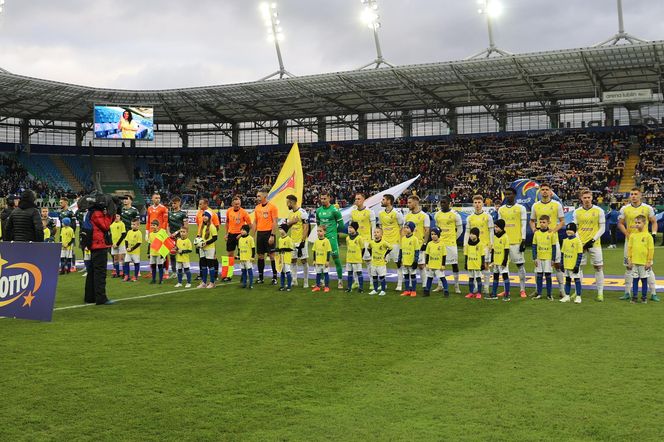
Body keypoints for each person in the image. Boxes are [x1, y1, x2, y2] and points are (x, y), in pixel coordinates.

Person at [618, 187, 658, 302]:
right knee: (628, 266)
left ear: (640, 195)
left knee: (648, 267)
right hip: (631, 241)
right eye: (631, 194)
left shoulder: (647, 208)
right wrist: (627, 234)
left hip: (644, 241)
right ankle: (627, 292)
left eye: (636, 194)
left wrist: (654, 234)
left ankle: (653, 293)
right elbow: (620, 223)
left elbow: (654, 221)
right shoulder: (625, 209)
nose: (633, 196)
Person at [530, 183, 565, 297]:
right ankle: (537, 290)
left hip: (553, 239)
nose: (544, 191)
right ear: (540, 192)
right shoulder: (535, 205)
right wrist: (534, 230)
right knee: (538, 266)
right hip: (540, 240)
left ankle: (561, 290)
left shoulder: (556, 205)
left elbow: (562, 221)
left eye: (547, 189)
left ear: (550, 192)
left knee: (557, 264)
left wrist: (554, 231)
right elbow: (532, 220)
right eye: (543, 189)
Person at [573, 190, 606, 301]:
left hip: (594, 244)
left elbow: (602, 228)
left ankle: (600, 293)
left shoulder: (599, 211)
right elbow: (575, 228)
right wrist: (579, 241)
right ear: (581, 198)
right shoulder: (577, 212)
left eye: (588, 197)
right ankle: (577, 291)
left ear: (592, 198)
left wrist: (592, 240)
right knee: (579, 267)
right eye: (585, 197)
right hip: (581, 244)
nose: (587, 199)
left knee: (598, 267)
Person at [498, 187, 528, 298]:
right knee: (504, 266)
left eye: (510, 194)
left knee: (520, 265)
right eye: (506, 194)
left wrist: (523, 240)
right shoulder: (501, 209)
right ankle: (506, 290)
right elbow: (499, 227)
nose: (508, 196)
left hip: (516, 242)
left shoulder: (521, 208)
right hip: (504, 243)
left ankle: (522, 289)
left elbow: (524, 225)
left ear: (514, 195)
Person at [464, 194, 494, 295]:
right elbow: (467, 232)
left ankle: (486, 287)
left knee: (485, 266)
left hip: (485, 246)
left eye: (479, 202)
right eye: (475, 202)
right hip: (473, 247)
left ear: (483, 204)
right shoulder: (470, 218)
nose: (477, 204)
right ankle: (477, 287)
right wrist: (465, 244)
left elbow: (491, 231)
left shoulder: (488, 217)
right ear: (473, 204)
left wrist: (491, 243)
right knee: (475, 267)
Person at [84, 205, 114, 305]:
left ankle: (89, 297)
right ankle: (101, 297)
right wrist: (110, 213)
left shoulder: (90, 212)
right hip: (99, 245)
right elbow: (105, 226)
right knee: (100, 272)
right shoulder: (97, 213)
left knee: (92, 271)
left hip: (93, 244)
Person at [315, 191, 345, 289]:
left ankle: (340, 281)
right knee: (321, 260)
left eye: (325, 198)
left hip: (331, 238)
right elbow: (318, 224)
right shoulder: (318, 211)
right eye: (321, 198)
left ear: (329, 198)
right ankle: (322, 281)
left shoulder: (334, 210)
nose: (323, 200)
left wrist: (334, 233)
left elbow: (341, 226)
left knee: (336, 258)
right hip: (322, 239)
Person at [433, 196, 461, 293]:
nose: (442, 204)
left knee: (454, 264)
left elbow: (460, 229)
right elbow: (437, 229)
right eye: (441, 202)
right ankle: (440, 285)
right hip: (440, 244)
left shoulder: (455, 214)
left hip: (451, 244)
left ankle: (457, 286)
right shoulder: (437, 215)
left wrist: (454, 238)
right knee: (440, 264)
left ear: (449, 203)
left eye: (444, 202)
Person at [377, 194, 404, 290]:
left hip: (395, 243)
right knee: (382, 263)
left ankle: (399, 284)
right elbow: (380, 227)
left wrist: (401, 242)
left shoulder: (397, 213)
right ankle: (383, 284)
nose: (382, 201)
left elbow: (402, 228)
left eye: (383, 199)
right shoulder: (380, 213)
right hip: (384, 243)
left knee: (398, 263)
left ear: (389, 201)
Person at [253, 187, 279, 285]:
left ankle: (275, 277)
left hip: (269, 233)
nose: (257, 198)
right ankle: (260, 277)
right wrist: (252, 235)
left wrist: (272, 235)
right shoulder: (257, 207)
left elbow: (275, 222)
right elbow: (255, 221)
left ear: (265, 196)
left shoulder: (272, 207)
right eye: (257, 196)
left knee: (272, 256)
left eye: (259, 196)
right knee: (260, 256)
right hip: (260, 234)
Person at [627, 215, 655, 304]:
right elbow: (629, 248)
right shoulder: (632, 235)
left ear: (645, 223)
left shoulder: (648, 236)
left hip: (644, 263)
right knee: (635, 280)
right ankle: (634, 297)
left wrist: (649, 261)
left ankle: (644, 297)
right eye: (636, 223)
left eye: (639, 223)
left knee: (644, 280)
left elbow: (651, 249)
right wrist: (629, 259)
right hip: (634, 262)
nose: (637, 224)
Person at [406, 195, 432, 292]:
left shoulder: (424, 215)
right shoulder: (407, 216)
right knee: (408, 265)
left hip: (419, 245)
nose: (408, 204)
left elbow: (427, 231)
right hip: (409, 245)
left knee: (421, 265)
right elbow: (405, 230)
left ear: (416, 202)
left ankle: (425, 285)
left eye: (410, 202)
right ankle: (409, 285)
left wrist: (424, 244)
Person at [225, 196, 252, 282]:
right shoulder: (229, 211)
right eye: (236, 204)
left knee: (242, 256)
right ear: (232, 204)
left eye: (239, 204)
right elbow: (227, 222)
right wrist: (226, 233)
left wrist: (242, 234)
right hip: (231, 235)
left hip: (240, 236)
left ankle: (243, 275)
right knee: (230, 255)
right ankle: (228, 275)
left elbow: (249, 225)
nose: (237, 205)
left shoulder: (244, 212)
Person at [531, 215, 558, 301]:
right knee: (539, 275)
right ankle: (539, 294)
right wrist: (534, 258)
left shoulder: (551, 233)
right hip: (539, 258)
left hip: (548, 258)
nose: (542, 224)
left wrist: (553, 259)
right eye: (541, 222)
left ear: (548, 223)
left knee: (548, 276)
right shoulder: (536, 233)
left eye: (544, 222)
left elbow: (554, 247)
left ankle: (549, 294)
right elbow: (534, 246)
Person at [286, 195, 310, 288]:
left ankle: (306, 281)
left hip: (301, 241)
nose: (287, 204)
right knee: (293, 260)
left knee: (303, 260)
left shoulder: (302, 212)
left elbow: (306, 227)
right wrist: (292, 222)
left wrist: (303, 241)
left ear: (292, 202)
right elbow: (287, 226)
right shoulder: (290, 213)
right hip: (292, 241)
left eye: (288, 202)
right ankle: (294, 280)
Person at [350, 193, 376, 276]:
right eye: (356, 199)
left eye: (359, 199)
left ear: (364, 200)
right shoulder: (353, 212)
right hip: (356, 241)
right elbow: (351, 227)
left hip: (366, 240)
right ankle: (356, 282)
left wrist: (373, 239)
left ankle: (372, 282)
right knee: (355, 262)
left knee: (368, 261)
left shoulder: (370, 212)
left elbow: (373, 227)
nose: (356, 200)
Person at [195, 198, 220, 280]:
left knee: (213, 257)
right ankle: (201, 275)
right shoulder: (199, 213)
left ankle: (215, 275)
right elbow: (198, 225)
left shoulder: (212, 213)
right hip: (199, 239)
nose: (199, 205)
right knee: (201, 258)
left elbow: (217, 226)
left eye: (200, 204)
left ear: (206, 204)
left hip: (209, 240)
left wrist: (210, 235)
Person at [146, 193, 169, 278]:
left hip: (160, 233)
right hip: (152, 234)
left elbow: (165, 220)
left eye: (159, 198)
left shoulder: (163, 208)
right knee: (151, 252)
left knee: (163, 253)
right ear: (152, 198)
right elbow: (148, 221)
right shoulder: (149, 208)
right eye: (156, 198)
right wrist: (146, 231)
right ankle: (152, 271)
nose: (158, 199)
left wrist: (162, 230)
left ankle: (166, 272)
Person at [560, 223, 584, 304]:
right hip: (566, 265)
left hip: (573, 265)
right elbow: (562, 253)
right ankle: (567, 296)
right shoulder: (565, 241)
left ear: (574, 231)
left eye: (571, 230)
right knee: (567, 280)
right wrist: (562, 264)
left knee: (577, 280)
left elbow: (580, 254)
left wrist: (577, 265)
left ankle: (578, 296)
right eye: (567, 230)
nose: (569, 231)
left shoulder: (578, 241)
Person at [423, 227, 448, 297]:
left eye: (435, 234)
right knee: (429, 278)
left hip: (438, 266)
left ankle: (446, 291)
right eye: (432, 234)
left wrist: (443, 265)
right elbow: (427, 254)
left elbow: (444, 255)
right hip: (431, 265)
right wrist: (427, 264)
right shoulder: (429, 244)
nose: (433, 236)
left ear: (438, 235)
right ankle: (427, 291)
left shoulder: (442, 244)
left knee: (442, 278)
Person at [168, 196, 188, 280]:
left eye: (175, 203)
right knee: (172, 254)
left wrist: (177, 232)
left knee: (181, 254)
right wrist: (169, 233)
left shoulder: (183, 213)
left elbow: (186, 226)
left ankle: (185, 273)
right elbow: (168, 225)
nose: (173, 205)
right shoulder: (169, 213)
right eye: (172, 203)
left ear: (179, 203)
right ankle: (174, 272)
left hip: (180, 237)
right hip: (171, 237)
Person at [367, 227, 391, 296]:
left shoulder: (384, 243)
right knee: (374, 277)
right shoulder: (371, 242)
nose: (376, 234)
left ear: (381, 234)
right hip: (374, 263)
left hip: (381, 263)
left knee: (382, 277)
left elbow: (390, 247)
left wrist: (385, 254)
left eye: (378, 232)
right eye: (374, 232)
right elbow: (369, 248)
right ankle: (375, 290)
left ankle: (383, 290)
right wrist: (371, 254)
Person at [491, 219, 511, 301]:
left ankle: (507, 295)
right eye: (495, 227)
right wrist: (492, 260)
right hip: (496, 262)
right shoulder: (495, 237)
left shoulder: (505, 237)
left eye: (497, 227)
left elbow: (506, 251)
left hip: (502, 262)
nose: (495, 228)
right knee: (495, 277)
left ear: (502, 227)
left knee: (505, 277)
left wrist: (504, 261)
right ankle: (494, 294)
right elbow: (493, 250)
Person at [399, 221, 421, 297]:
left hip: (411, 262)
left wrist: (415, 261)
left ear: (412, 229)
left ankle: (414, 291)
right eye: (405, 227)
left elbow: (417, 251)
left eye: (407, 228)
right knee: (406, 276)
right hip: (405, 261)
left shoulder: (415, 239)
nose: (405, 229)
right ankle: (407, 290)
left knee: (413, 276)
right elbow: (401, 250)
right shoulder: (403, 239)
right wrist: (399, 259)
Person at [198, 212, 219, 289]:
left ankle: (212, 282)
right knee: (203, 266)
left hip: (210, 248)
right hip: (202, 248)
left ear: (209, 217)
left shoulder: (212, 226)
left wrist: (206, 243)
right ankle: (204, 282)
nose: (204, 217)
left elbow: (215, 238)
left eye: (206, 216)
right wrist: (197, 242)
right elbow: (200, 236)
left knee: (210, 266)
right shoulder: (202, 226)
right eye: (203, 216)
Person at [58, 197, 77, 272]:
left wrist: (71, 234)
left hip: (69, 235)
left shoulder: (70, 212)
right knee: (63, 250)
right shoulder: (60, 212)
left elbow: (74, 225)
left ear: (66, 202)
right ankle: (64, 266)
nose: (60, 204)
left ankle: (73, 265)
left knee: (71, 250)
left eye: (61, 202)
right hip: (62, 234)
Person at [345, 221, 364, 293]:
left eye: (351, 228)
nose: (349, 229)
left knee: (359, 273)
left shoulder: (359, 238)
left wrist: (360, 257)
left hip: (357, 259)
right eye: (349, 227)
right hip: (349, 259)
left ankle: (361, 288)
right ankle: (349, 288)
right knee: (349, 273)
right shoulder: (347, 238)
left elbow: (363, 248)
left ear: (355, 229)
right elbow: (348, 247)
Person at [311, 225, 332, 293]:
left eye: (320, 231)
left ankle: (326, 287)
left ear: (324, 232)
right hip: (318, 261)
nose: (318, 232)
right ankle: (317, 286)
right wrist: (314, 260)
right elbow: (314, 251)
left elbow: (328, 251)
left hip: (324, 262)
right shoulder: (316, 241)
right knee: (318, 274)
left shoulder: (327, 241)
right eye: (317, 231)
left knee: (326, 274)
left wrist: (327, 261)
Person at [464, 227, 484, 299]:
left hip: (477, 264)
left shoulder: (480, 244)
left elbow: (482, 255)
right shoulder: (468, 244)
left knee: (478, 278)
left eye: (473, 234)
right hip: (470, 264)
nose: (471, 235)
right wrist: (466, 263)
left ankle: (479, 293)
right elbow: (466, 254)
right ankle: (471, 293)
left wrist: (482, 264)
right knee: (471, 279)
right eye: (471, 234)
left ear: (477, 235)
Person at [276, 223, 294, 292]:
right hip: (281, 258)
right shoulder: (280, 239)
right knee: (282, 272)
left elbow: (291, 248)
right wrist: (277, 250)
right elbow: (280, 248)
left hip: (287, 258)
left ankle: (289, 286)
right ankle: (282, 285)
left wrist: (283, 249)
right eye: (279, 229)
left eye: (281, 229)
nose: (280, 231)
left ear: (285, 230)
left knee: (287, 272)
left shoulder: (288, 239)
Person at [237, 225, 255, 289]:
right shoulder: (240, 239)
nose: (241, 231)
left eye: (243, 230)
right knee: (243, 271)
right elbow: (239, 249)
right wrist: (238, 256)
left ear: (247, 231)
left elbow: (253, 248)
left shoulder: (250, 238)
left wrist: (252, 256)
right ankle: (244, 283)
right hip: (242, 258)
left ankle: (251, 284)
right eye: (241, 230)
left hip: (248, 258)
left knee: (249, 271)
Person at [148, 220, 166, 285]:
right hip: (152, 253)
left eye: (154, 225)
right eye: (152, 225)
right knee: (153, 266)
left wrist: (163, 253)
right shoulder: (151, 234)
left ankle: (161, 280)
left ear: (158, 226)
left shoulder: (161, 233)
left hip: (159, 253)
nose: (152, 226)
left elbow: (164, 244)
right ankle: (153, 279)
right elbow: (149, 244)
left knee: (160, 266)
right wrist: (148, 253)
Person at [110, 214, 127, 278]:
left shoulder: (122, 224)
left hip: (121, 244)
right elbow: (110, 235)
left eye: (118, 216)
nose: (116, 217)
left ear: (120, 217)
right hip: (114, 244)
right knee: (115, 259)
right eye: (115, 216)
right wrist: (112, 243)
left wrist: (117, 244)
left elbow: (123, 235)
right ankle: (117, 273)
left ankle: (124, 273)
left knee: (122, 258)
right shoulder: (111, 225)